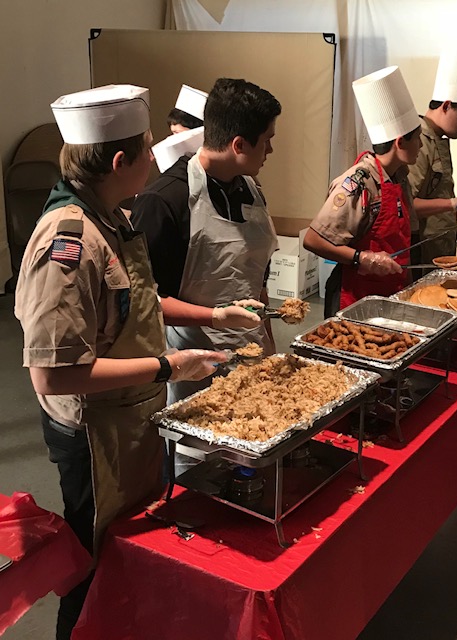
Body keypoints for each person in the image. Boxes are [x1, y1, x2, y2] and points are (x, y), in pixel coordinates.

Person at [13, 84, 235, 640]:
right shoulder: (67, 243)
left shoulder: (112, 218)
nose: (156, 151)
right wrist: (169, 367)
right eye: (148, 145)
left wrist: (212, 316)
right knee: (92, 568)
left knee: (130, 556)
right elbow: (54, 372)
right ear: (120, 161)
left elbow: (131, 298)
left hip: (130, 416)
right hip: (94, 434)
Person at [131, 77, 281, 404]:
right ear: (239, 145)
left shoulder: (251, 191)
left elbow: (258, 282)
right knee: (197, 453)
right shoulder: (164, 202)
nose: (271, 150)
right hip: (193, 364)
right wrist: (215, 315)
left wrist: (269, 350)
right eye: (267, 140)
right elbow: (145, 304)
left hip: (252, 355)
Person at [304, 66, 421, 316]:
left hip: (390, 293)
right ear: (400, 142)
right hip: (355, 297)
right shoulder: (358, 182)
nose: (421, 145)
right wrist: (363, 258)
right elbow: (313, 240)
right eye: (418, 138)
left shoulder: (400, 177)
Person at [408, 46, 457, 263]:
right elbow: (406, 205)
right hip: (420, 250)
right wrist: (453, 203)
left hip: (438, 245)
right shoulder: (418, 142)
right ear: (446, 106)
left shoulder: (438, 138)